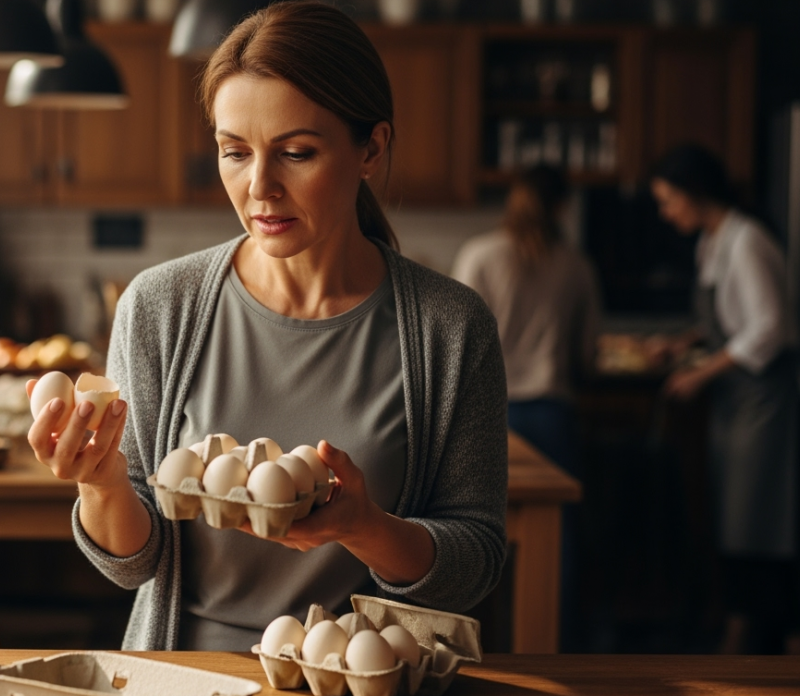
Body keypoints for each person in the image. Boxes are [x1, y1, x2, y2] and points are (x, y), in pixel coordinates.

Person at [25, 1, 508, 651]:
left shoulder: (451, 328)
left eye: (297, 153)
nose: (260, 187)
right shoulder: (158, 308)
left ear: (371, 147)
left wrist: (364, 525)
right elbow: (132, 564)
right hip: (183, 680)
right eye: (234, 152)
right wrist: (101, 481)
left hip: (358, 679)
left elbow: (475, 563)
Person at [649, 143, 800, 654]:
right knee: (735, 516)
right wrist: (684, 343)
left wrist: (700, 375)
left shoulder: (748, 241)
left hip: (764, 402)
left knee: (758, 519)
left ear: (695, 195)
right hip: (737, 402)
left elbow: (768, 329)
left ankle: (759, 637)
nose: (665, 213)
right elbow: (724, 320)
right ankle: (740, 629)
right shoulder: (712, 242)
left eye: (669, 201)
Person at [450, 164, 600, 651]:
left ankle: (480, 650)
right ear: (562, 207)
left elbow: (453, 346)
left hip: (488, 416)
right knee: (556, 542)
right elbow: (588, 353)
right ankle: (552, 651)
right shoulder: (576, 266)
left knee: (474, 532)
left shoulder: (480, 256)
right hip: (553, 413)